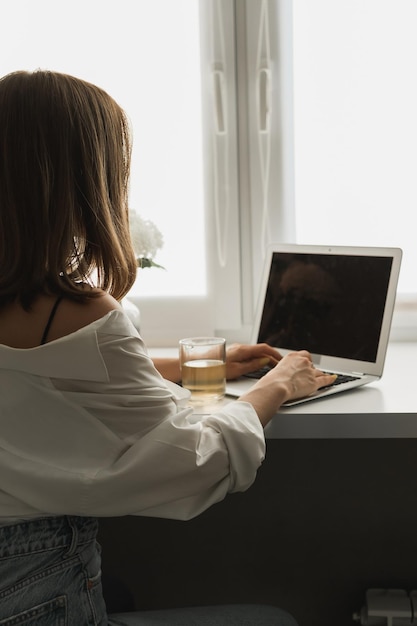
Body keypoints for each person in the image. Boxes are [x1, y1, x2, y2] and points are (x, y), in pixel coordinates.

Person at [0, 70, 336, 625]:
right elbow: (195, 460)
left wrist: (200, 363)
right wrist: (280, 384)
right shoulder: (78, 313)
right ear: (82, 179)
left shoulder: (36, 311)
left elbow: (35, 378)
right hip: (36, 581)